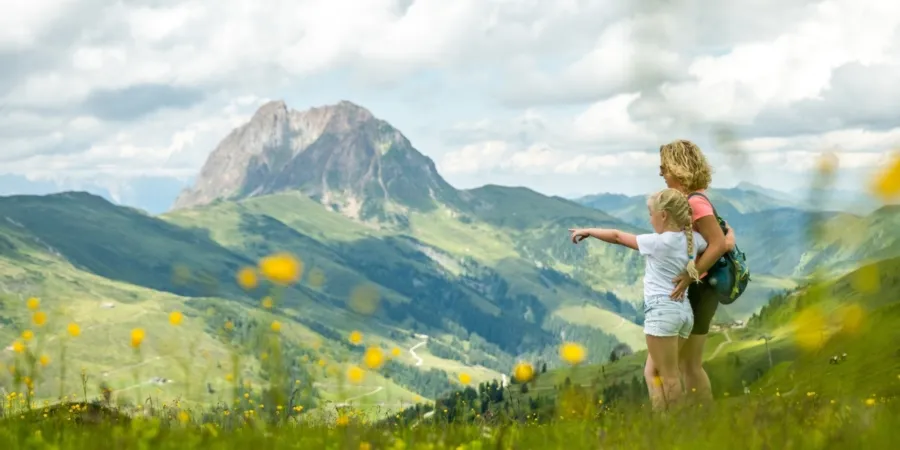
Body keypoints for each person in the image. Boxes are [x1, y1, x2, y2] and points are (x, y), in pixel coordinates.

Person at [570, 188, 707, 411]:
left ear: (663, 215)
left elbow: (616, 236)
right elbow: (719, 244)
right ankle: (662, 424)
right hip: (683, 314)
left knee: (669, 376)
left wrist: (587, 231)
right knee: (652, 372)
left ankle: (679, 430)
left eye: (650, 213)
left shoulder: (658, 242)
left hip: (662, 314)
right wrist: (728, 236)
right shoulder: (692, 241)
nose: (649, 218)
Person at [658, 139, 736, 404]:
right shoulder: (696, 199)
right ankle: (703, 418)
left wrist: (689, 276)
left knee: (685, 365)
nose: (661, 174)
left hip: (699, 289)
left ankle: (692, 421)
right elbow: (724, 238)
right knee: (689, 364)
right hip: (703, 289)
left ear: (678, 168)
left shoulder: (695, 202)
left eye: (664, 167)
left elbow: (718, 244)